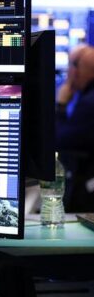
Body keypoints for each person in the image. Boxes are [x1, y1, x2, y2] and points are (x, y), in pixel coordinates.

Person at [56, 44, 94, 211]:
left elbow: (60, 140)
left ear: (78, 69)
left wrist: (61, 105)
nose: (67, 74)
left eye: (70, 66)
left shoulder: (89, 102)